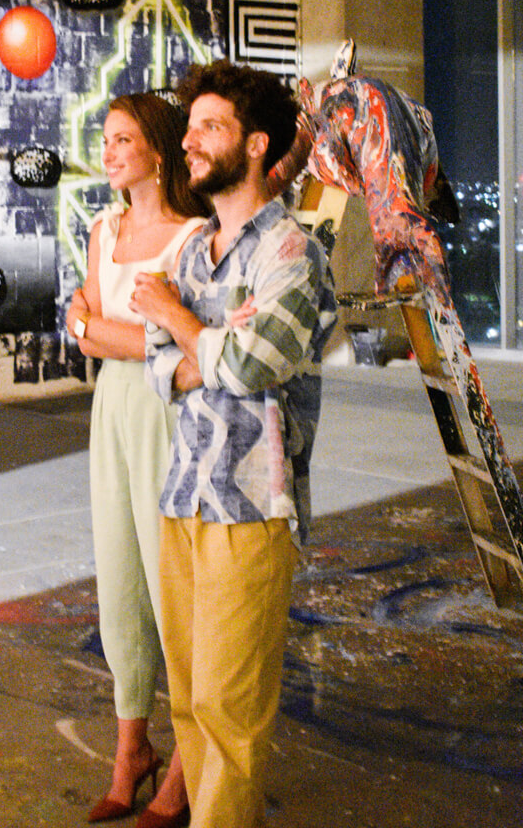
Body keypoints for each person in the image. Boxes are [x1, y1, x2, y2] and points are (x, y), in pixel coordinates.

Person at [130, 61, 338, 828]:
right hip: (185, 491)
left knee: (230, 705)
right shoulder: (193, 255)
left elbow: (253, 366)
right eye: (190, 129)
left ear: (255, 145)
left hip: (252, 502)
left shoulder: (291, 253)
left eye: (209, 128)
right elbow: (159, 369)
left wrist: (181, 322)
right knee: (189, 698)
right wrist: (205, 344)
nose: (189, 143)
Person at [67, 92, 208, 828]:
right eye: (106, 139)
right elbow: (87, 328)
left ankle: (185, 763)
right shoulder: (103, 229)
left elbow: (188, 348)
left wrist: (102, 330)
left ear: (158, 150)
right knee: (119, 578)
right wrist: (114, 331)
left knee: (170, 584)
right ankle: (131, 750)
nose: (110, 151)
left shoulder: (193, 238)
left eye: (124, 139)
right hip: (113, 411)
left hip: (169, 416)